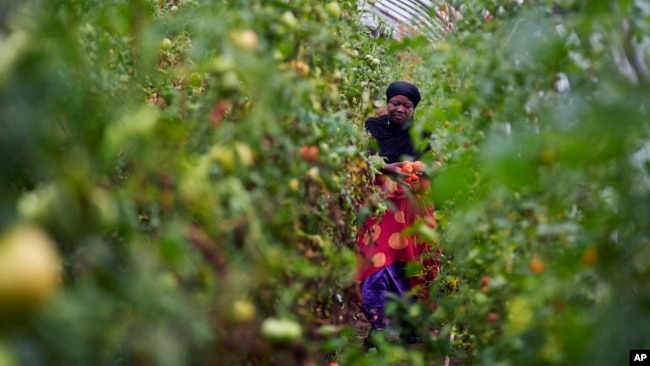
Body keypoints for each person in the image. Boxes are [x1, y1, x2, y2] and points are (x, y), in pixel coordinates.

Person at [356, 81, 440, 348]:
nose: (400, 109)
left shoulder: (422, 133)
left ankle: (410, 326)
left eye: (407, 105)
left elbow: (433, 164)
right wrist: (386, 168)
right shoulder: (373, 127)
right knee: (375, 263)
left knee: (411, 263)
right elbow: (363, 159)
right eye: (395, 103)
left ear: (414, 109)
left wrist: (420, 169)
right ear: (387, 103)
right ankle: (379, 326)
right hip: (381, 209)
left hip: (412, 206)